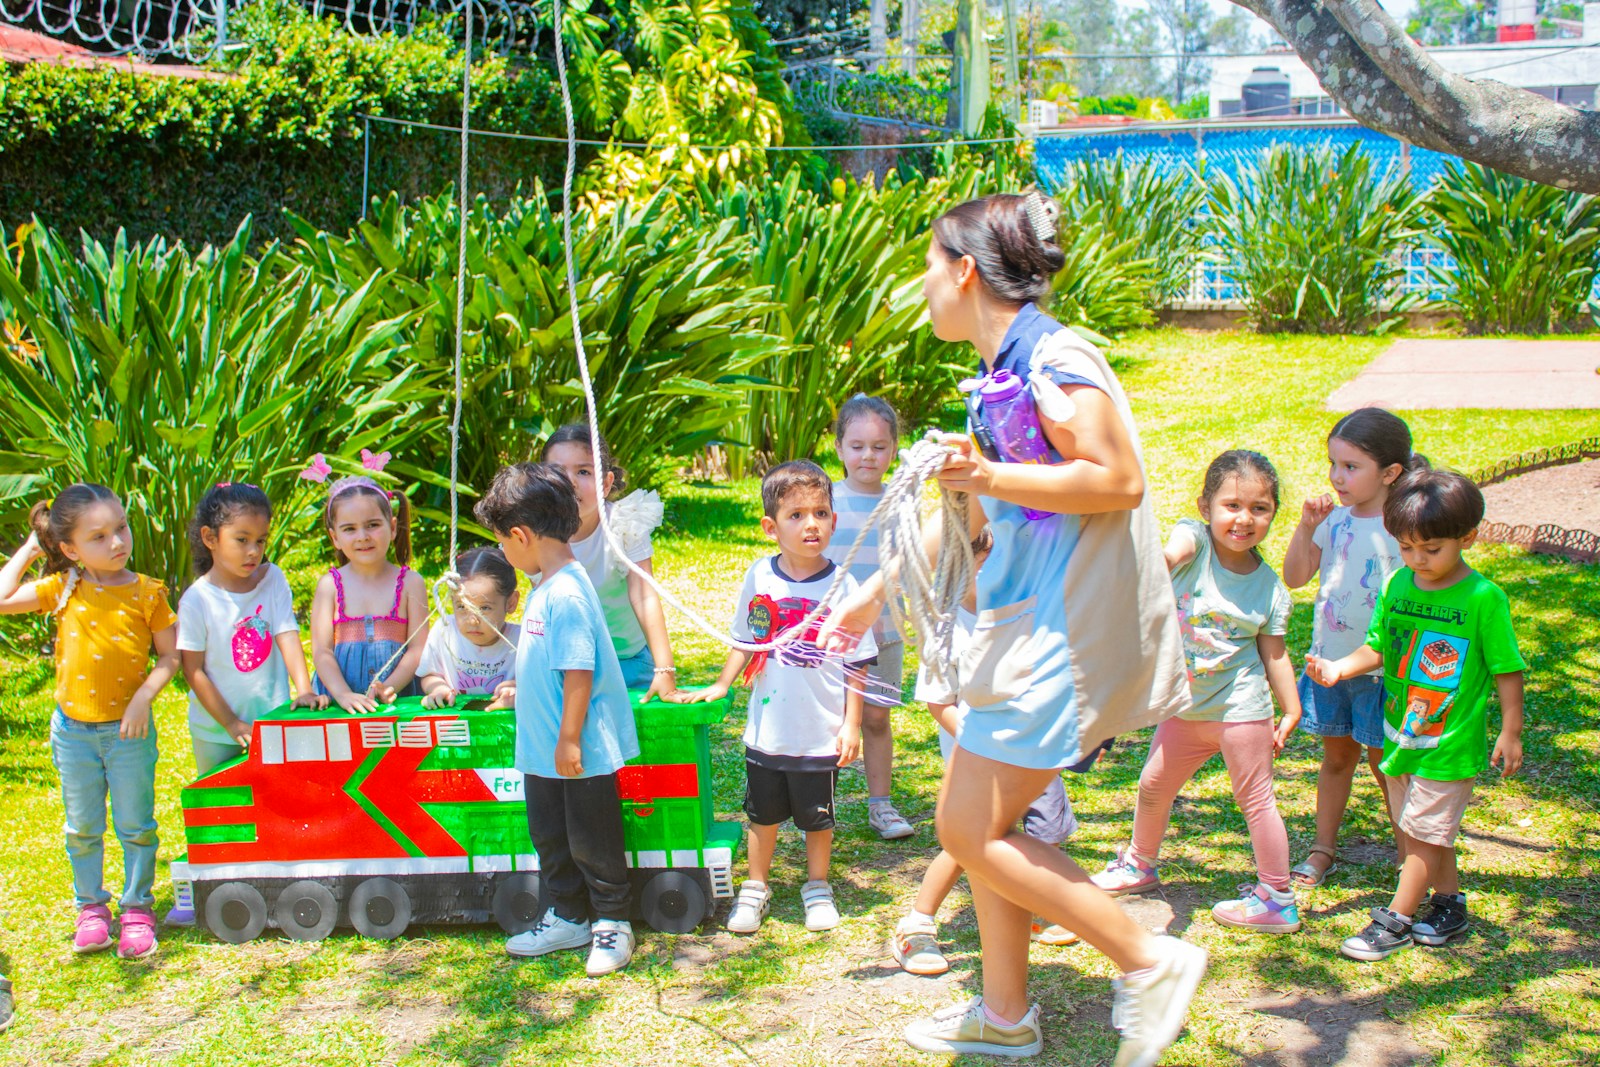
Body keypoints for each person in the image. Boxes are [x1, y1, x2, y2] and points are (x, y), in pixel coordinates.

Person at [817, 191, 1204, 1065]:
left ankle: (1149, 959)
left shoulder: (1053, 360)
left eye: (927, 263)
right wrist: (876, 589)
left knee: (969, 829)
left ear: (963, 270)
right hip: (1024, 626)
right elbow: (977, 506)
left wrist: (985, 475)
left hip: (1060, 634)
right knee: (974, 823)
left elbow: (1118, 479)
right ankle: (1004, 1014)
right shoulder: (1004, 371)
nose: (921, 283)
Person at [1306, 469, 1525, 961]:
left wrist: (1511, 730)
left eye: (1431, 549)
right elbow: (1380, 646)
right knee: (1426, 829)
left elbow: (1507, 669)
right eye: (1406, 548)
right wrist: (1340, 669)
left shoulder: (1483, 599)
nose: (1418, 560)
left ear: (1468, 538)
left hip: (1450, 741)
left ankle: (1397, 920)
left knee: (1422, 834)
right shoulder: (1399, 584)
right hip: (1402, 733)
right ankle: (1448, 905)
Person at [1092, 451, 1304, 935]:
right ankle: (1139, 864)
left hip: (1241, 708)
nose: (1244, 519)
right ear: (1205, 507)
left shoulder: (1271, 589)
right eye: (1231, 505)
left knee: (1257, 800)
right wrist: (1159, 564)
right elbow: (1177, 548)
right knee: (1153, 785)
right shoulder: (1195, 544)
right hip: (1185, 707)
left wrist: (1289, 709)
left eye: (1259, 508)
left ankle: (1277, 896)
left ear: (1273, 513)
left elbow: (1274, 654)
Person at [670, 460, 876, 935]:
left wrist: (850, 724)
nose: (811, 524)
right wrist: (722, 684)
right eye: (796, 515)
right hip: (768, 728)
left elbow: (857, 661)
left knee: (816, 816)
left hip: (818, 731)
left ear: (834, 521)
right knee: (761, 815)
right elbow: (747, 636)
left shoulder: (845, 584)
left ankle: (817, 886)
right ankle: (756, 886)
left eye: (821, 513)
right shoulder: (760, 576)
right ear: (771, 526)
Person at [0, 486, 179, 959]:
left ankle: (138, 909)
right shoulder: (64, 587)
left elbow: (170, 657)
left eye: (120, 527)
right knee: (82, 827)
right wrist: (29, 549)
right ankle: (91, 909)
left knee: (135, 825)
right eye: (98, 536)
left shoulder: (147, 592)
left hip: (127, 733)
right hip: (74, 733)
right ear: (70, 549)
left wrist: (144, 698)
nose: (117, 542)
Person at [475, 463, 640, 977]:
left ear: (522, 536)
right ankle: (567, 912)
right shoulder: (550, 586)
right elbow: (551, 665)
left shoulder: (566, 592)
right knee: (550, 834)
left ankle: (613, 920)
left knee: (593, 838)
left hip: (577, 751)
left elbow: (578, 672)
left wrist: (569, 739)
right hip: (544, 751)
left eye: (503, 541)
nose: (503, 551)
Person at [892, 528, 1080, 978]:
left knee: (1042, 832)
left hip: (1032, 749)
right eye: (987, 563)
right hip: (975, 754)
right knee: (970, 840)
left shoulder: (1028, 610)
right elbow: (940, 703)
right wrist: (981, 743)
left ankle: (1029, 905)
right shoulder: (945, 625)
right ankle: (917, 923)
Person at [171, 482, 327, 925]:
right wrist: (232, 724)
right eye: (241, 540)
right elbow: (194, 671)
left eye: (260, 540)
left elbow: (285, 633)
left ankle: (283, 883)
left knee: (282, 800)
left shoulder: (272, 578)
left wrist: (302, 689)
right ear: (209, 539)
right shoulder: (197, 599)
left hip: (274, 720)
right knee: (225, 805)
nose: (252, 551)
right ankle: (222, 884)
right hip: (216, 727)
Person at [1281, 408, 1422, 887]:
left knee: (1388, 767)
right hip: (1329, 667)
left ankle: (1410, 860)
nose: (1336, 477)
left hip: (1388, 672)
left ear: (1390, 473)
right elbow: (1296, 577)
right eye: (1333, 464)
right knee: (1337, 758)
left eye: (1350, 467)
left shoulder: (1405, 527)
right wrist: (1306, 526)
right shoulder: (1333, 521)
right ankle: (1323, 849)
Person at [826, 394, 915, 841]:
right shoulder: (823, 501)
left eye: (879, 446)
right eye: (857, 445)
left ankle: (881, 804)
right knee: (827, 720)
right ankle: (818, 805)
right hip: (830, 638)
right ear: (839, 447)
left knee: (877, 718)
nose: (868, 456)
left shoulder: (902, 504)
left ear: (894, 450)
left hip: (884, 633)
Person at [542, 425, 678, 700]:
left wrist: (664, 669)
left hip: (626, 661)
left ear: (606, 483)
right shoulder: (534, 531)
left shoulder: (624, 525)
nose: (570, 482)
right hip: (560, 664)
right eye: (558, 473)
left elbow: (644, 596)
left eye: (583, 472)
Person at [309, 476, 428, 711]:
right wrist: (343, 695)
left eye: (372, 525)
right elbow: (322, 651)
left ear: (392, 528)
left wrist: (389, 687)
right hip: (340, 704)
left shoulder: (411, 583)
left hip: (397, 701)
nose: (362, 536)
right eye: (349, 529)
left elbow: (418, 648)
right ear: (335, 538)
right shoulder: (329, 586)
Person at [418, 546, 520, 710]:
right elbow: (430, 673)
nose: (472, 620)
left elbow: (541, 683)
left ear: (511, 603)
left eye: (485, 608)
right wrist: (438, 688)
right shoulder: (444, 631)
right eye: (462, 607)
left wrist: (518, 688)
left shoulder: (522, 641)